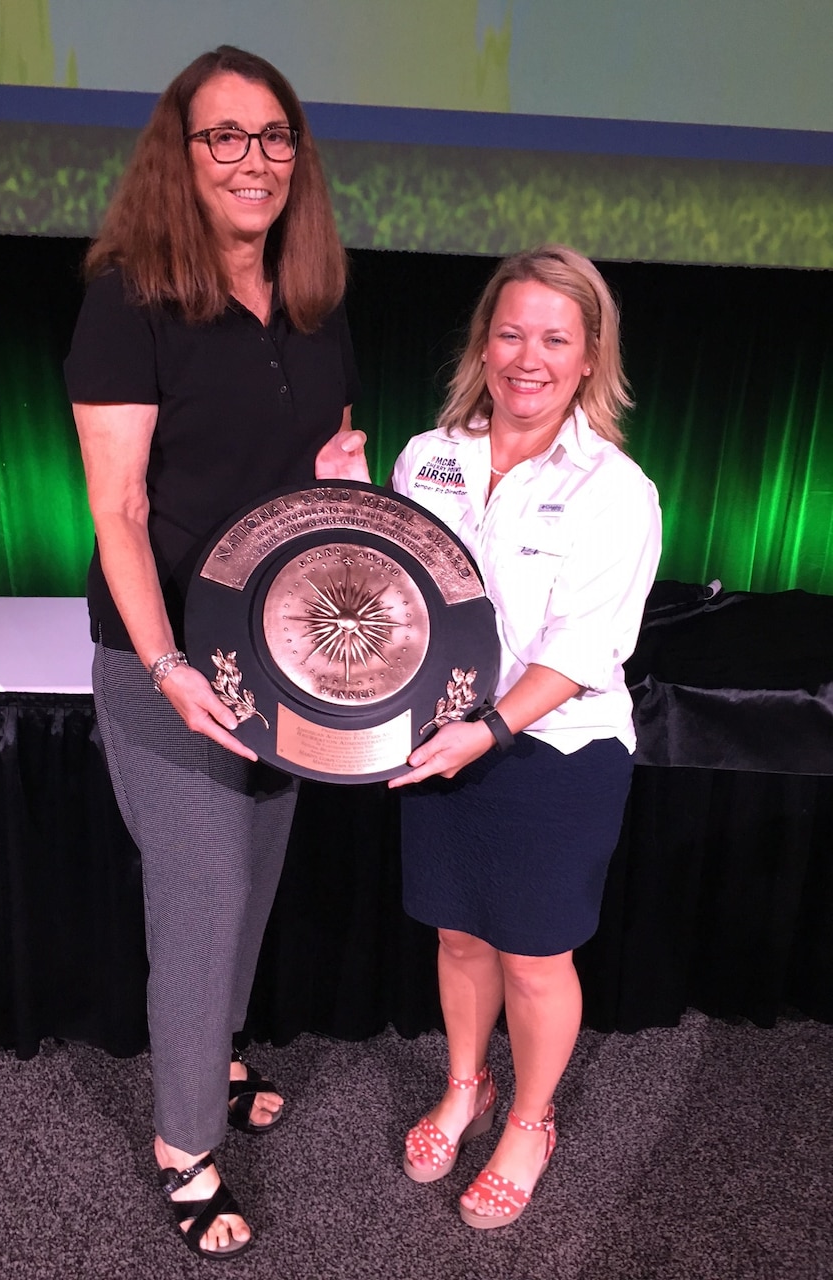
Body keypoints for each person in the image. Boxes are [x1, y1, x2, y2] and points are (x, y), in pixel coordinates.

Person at [64, 46, 368, 1260]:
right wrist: (166, 665)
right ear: (180, 158)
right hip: (166, 663)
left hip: (281, 656)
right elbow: (121, 510)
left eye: (274, 134)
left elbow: (320, 450)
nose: (254, 159)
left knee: (254, 880)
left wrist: (341, 475)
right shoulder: (128, 296)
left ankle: (222, 1049)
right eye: (224, 136)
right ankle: (184, 1145)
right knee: (203, 899)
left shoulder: (315, 294)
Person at [388, 245, 661, 1229]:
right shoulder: (427, 456)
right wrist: (340, 493)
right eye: (510, 332)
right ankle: (468, 1084)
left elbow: (587, 646)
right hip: (442, 737)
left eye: (555, 337)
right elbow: (395, 590)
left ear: (590, 357)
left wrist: (490, 728)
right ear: (484, 342)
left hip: (558, 749)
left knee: (533, 954)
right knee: (459, 931)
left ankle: (532, 1120)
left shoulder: (612, 487)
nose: (527, 356)